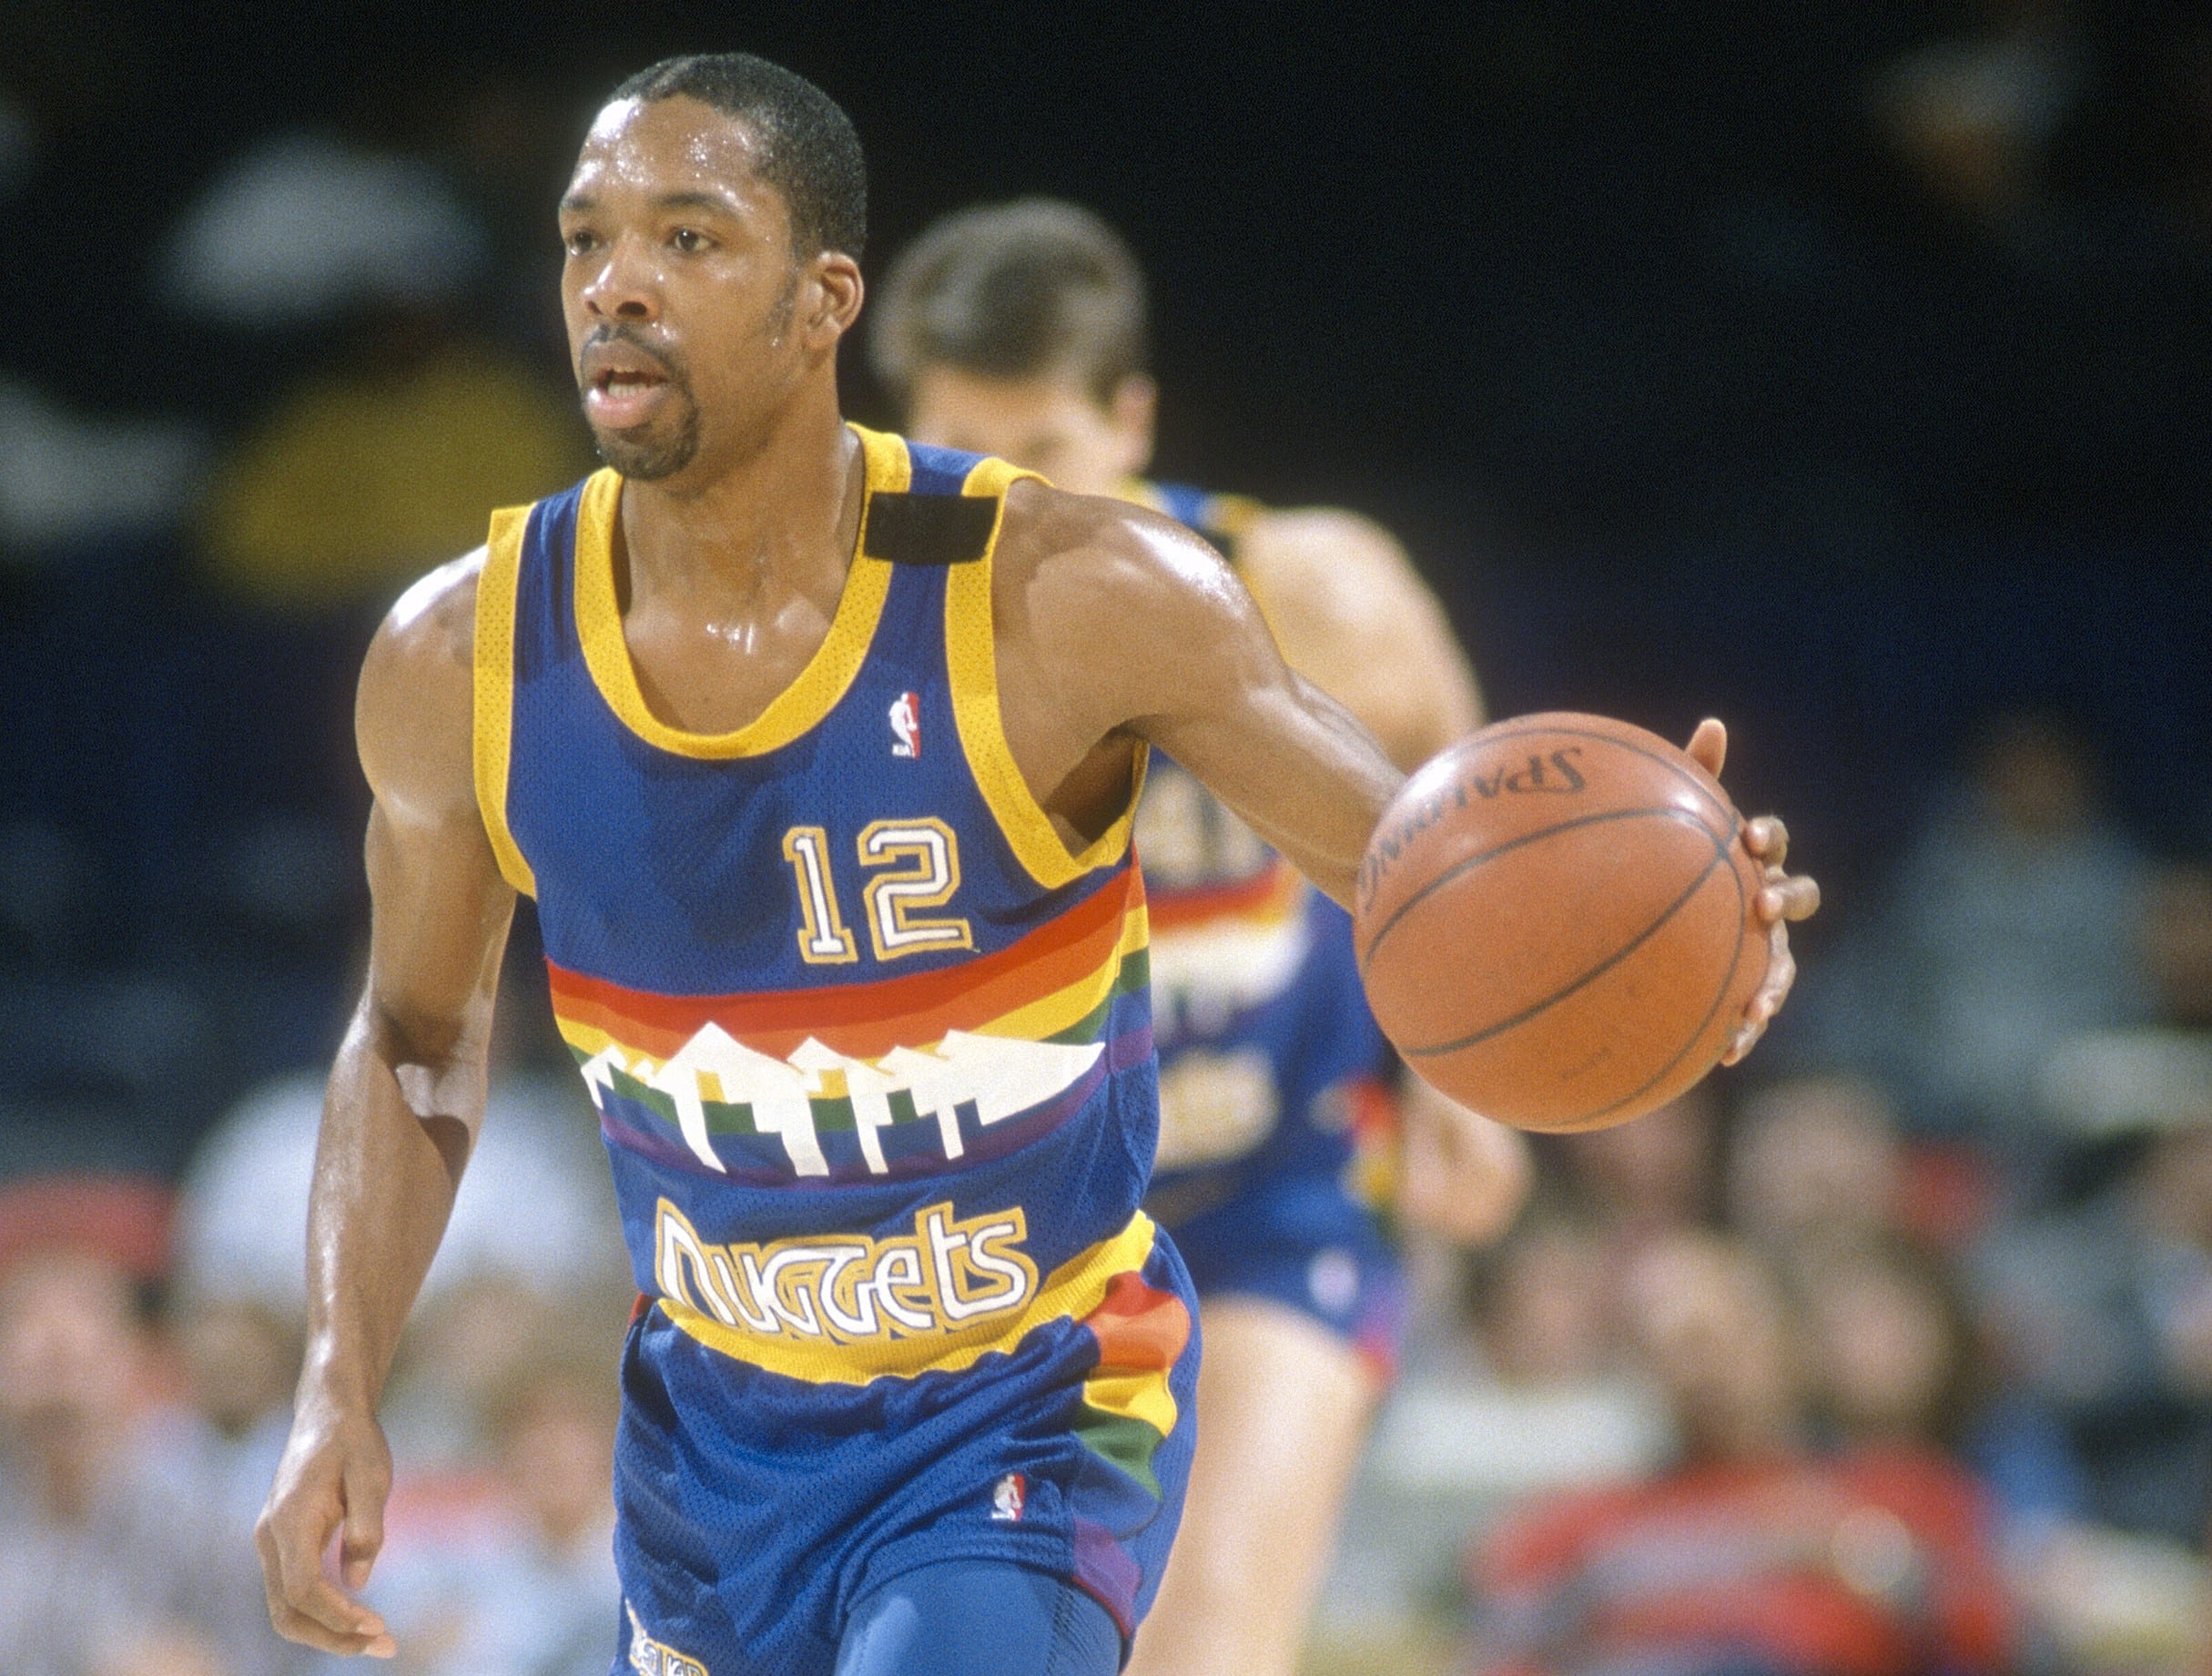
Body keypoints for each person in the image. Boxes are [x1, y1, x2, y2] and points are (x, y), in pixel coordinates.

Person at [255, 52, 1817, 1676]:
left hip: (1028, 1398)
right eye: (587, 241)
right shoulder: (459, 661)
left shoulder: (1077, 594)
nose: (618, 284)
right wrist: (335, 1380)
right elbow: (417, 1039)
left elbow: (1428, 875)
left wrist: (1680, 907)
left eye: (691, 239)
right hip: (716, 1444)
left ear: (823, 299)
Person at [871, 198, 1536, 1676]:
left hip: (1268, 1195)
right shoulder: (861, 641)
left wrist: (1456, 1078)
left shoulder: (1311, 592)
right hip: (990, 1241)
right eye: (956, 456)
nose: (997, 499)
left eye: (1035, 453)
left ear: (1132, 418)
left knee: (1210, 1645)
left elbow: (1472, 831)